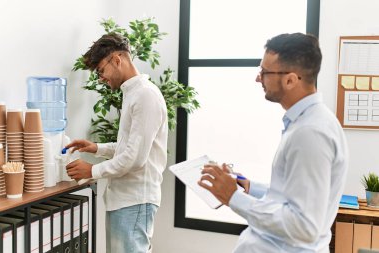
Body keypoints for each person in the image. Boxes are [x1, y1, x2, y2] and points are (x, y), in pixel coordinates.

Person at [198, 33, 348, 253]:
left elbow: (304, 226)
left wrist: (234, 198)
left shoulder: (310, 133)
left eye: (265, 72)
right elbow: (292, 195)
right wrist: (250, 187)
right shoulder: (306, 123)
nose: (258, 78)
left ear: (290, 80)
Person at [65, 33, 168, 253]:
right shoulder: (133, 94)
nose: (101, 78)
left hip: (135, 200)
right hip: (125, 200)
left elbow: (135, 159)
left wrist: (92, 170)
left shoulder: (145, 96)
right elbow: (129, 147)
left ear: (118, 60)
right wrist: (97, 148)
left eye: (101, 70)